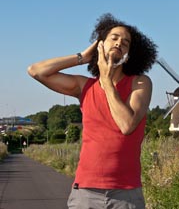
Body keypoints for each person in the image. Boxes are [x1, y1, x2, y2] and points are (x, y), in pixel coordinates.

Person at [27, 13, 158, 209]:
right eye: (114, 38)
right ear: (100, 44)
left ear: (129, 53)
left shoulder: (139, 83)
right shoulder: (84, 86)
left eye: (126, 42)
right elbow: (36, 71)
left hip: (126, 194)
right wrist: (83, 57)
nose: (119, 42)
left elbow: (127, 125)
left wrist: (106, 80)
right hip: (86, 192)